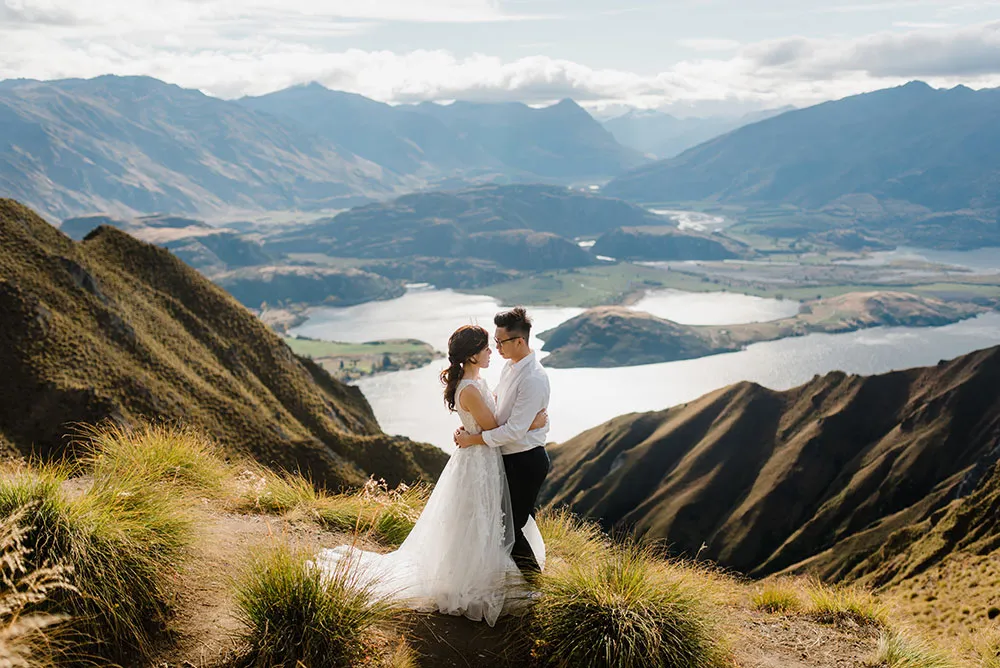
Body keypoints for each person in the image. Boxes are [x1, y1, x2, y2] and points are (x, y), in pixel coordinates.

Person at [311, 324, 546, 626]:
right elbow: (492, 428)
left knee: (481, 519)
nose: (492, 352)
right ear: (473, 355)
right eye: (487, 348)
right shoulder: (471, 389)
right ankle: (472, 580)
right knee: (478, 518)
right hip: (478, 461)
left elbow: (489, 422)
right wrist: (532, 423)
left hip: (483, 459)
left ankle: (483, 573)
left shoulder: (474, 381)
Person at [455, 307, 551, 578]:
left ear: (519, 341)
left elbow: (512, 432)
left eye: (500, 342)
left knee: (511, 526)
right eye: (494, 342)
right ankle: (513, 579)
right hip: (507, 458)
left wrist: (472, 438)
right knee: (506, 523)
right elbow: (496, 405)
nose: (495, 347)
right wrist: (470, 422)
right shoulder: (511, 367)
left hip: (525, 460)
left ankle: (534, 585)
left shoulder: (533, 378)